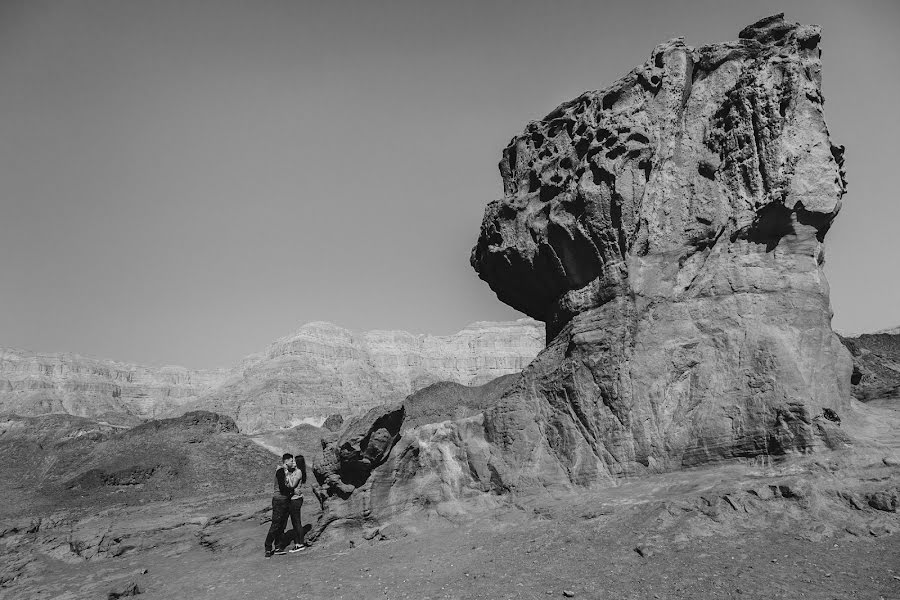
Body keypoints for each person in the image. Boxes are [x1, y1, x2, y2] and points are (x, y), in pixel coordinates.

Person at [263, 453, 303, 558]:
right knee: (276, 524)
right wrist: (293, 490)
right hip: (279, 500)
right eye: (291, 461)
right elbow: (283, 487)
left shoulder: (288, 471)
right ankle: (268, 547)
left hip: (285, 500)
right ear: (286, 462)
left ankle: (278, 547)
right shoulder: (280, 471)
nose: (293, 463)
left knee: (282, 524)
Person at [285, 452, 307, 552]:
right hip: (293, 498)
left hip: (296, 499)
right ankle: (298, 542)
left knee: (297, 522)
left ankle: (300, 543)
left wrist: (287, 474)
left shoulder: (298, 472)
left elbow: (292, 485)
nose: (292, 462)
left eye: (294, 461)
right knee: (295, 522)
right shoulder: (295, 471)